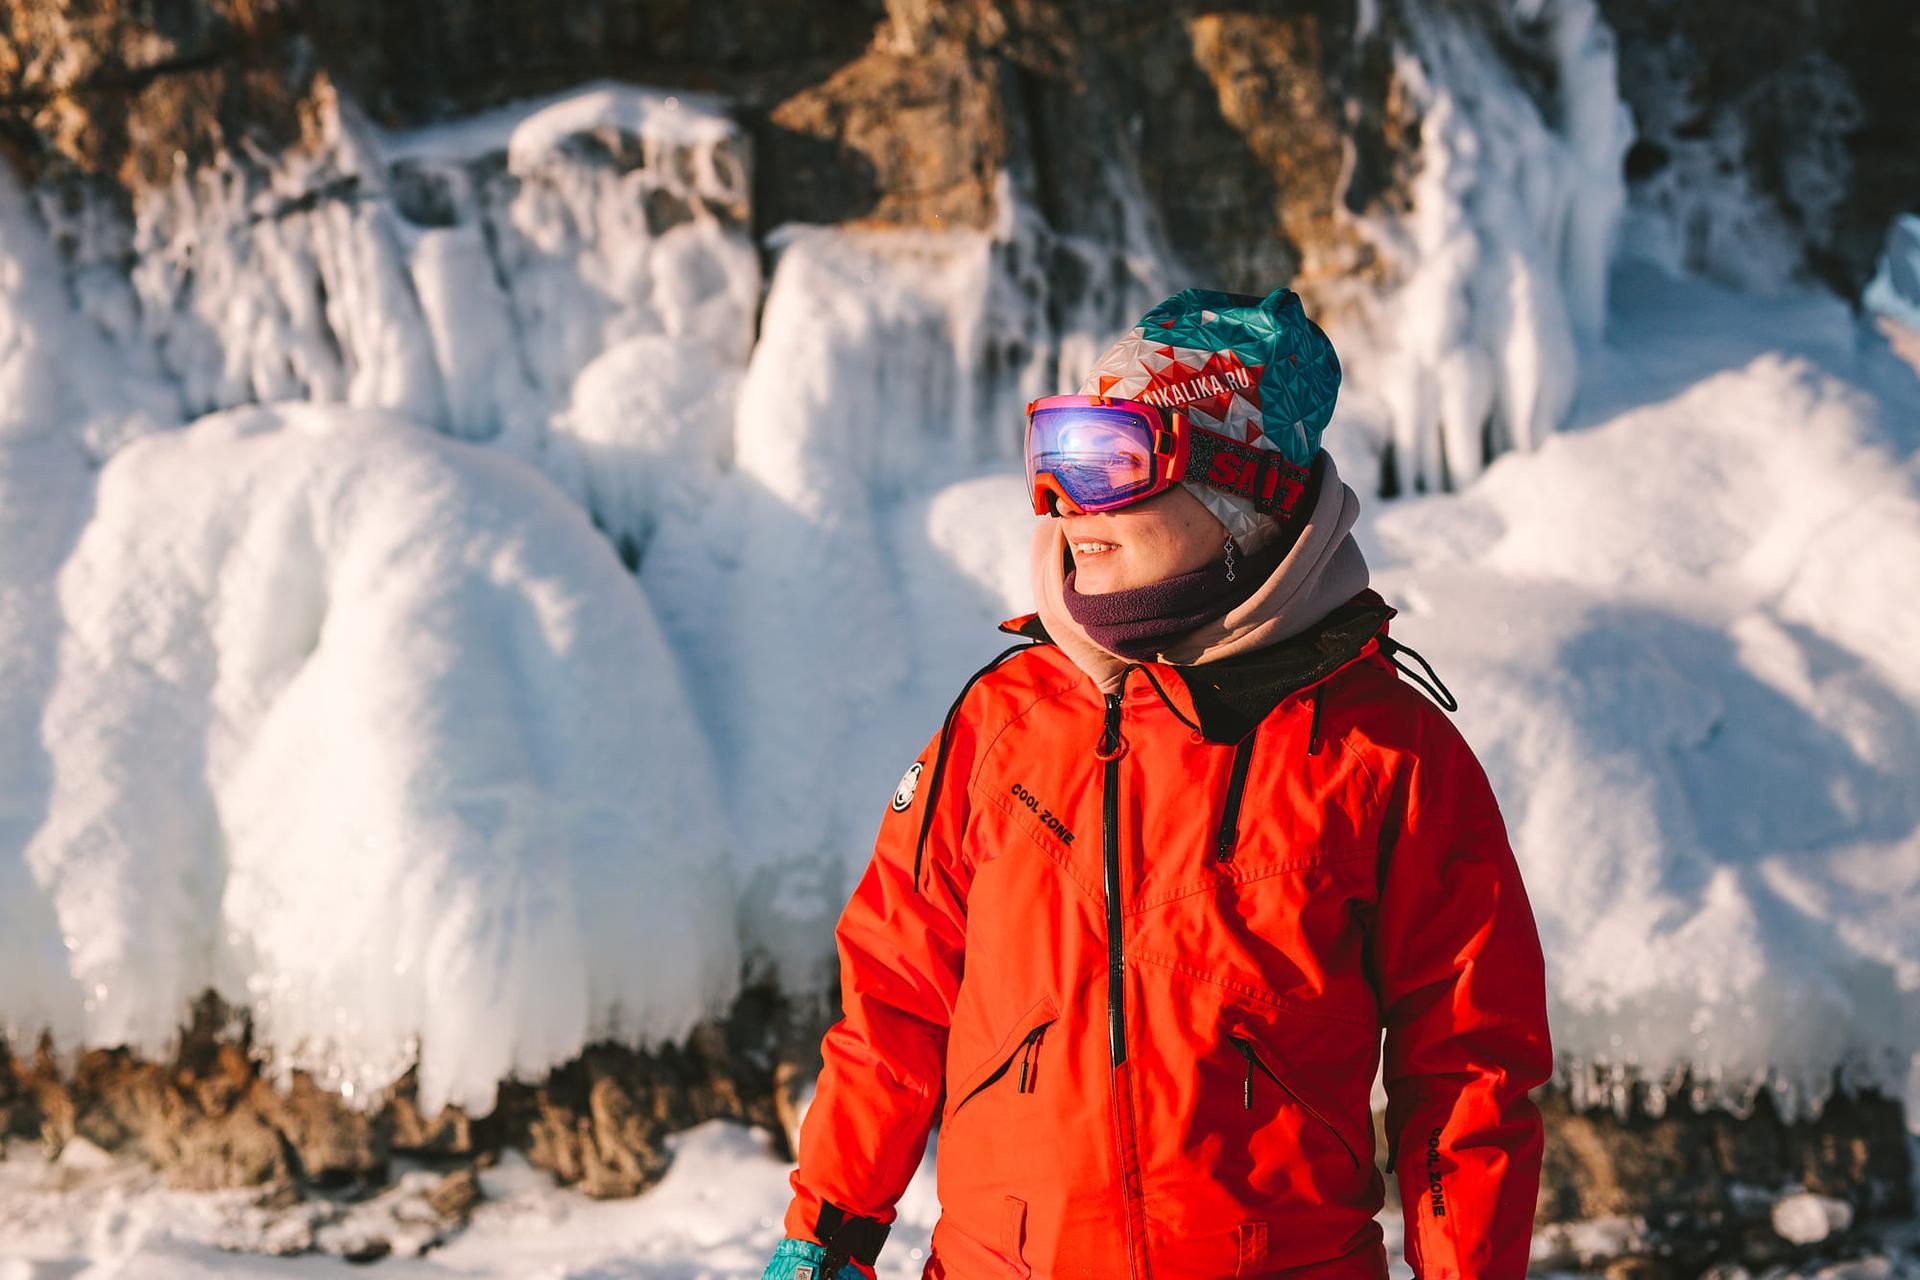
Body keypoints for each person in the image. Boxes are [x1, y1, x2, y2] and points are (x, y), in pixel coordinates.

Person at [760, 287, 1552, 1280]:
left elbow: (1470, 1070)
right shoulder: (999, 726)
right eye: (1055, 454)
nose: (1062, 500)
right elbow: (895, 997)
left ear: (1241, 490)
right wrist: (829, 1224)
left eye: (1108, 457)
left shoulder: (1384, 754)